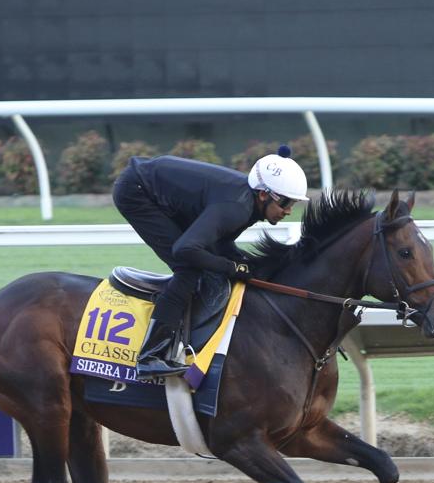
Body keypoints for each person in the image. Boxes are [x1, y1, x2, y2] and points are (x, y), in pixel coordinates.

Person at [113, 145, 309, 378]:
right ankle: (150, 356)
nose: (288, 211)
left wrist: (245, 264)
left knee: (214, 261)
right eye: (286, 203)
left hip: (155, 186)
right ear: (264, 194)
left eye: (293, 205)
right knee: (189, 269)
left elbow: (219, 243)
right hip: (137, 191)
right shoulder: (237, 207)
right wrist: (232, 267)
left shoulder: (249, 203)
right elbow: (185, 250)